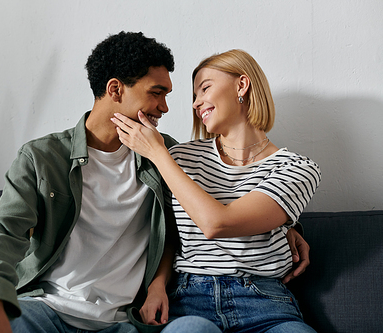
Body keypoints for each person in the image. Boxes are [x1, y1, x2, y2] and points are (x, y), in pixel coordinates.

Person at [0, 31, 310, 333]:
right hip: (47, 308)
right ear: (116, 89)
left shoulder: (163, 156)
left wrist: (285, 226)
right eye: (157, 93)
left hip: (123, 321)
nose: (168, 108)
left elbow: (203, 214)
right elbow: (2, 230)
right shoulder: (43, 158)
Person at [111, 49, 321, 332]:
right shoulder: (180, 157)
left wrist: (157, 153)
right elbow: (170, 235)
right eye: (194, 96)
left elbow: (217, 224)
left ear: (242, 85)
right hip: (189, 299)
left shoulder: (297, 168)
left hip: (264, 303)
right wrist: (156, 286)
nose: (197, 103)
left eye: (205, 88)